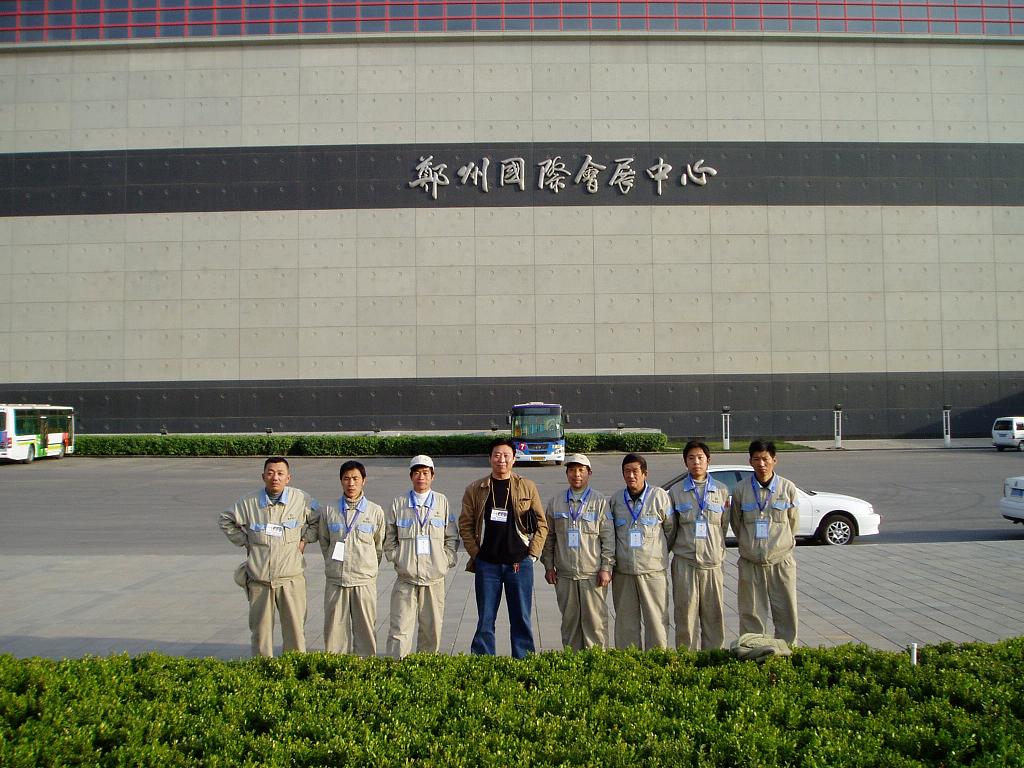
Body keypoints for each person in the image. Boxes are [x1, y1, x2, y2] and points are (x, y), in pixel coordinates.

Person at [219, 456, 319, 657]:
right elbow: (225, 520)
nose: (275, 478)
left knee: (295, 632)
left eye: (280, 474)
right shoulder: (249, 502)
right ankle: (263, 669)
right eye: (271, 473)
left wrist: (304, 540)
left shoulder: (301, 499)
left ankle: (294, 668)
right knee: (261, 634)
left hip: (290, 579)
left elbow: (318, 521)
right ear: (263, 476)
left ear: (288, 478)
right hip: (260, 580)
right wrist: (245, 541)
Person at [458, 438, 548, 658]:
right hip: (487, 565)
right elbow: (465, 524)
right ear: (490, 459)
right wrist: (476, 554)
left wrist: (532, 554)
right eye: (497, 455)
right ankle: (484, 661)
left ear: (514, 459)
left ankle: (523, 661)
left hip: (519, 563)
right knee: (485, 618)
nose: (502, 460)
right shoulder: (475, 488)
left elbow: (542, 524)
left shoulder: (527, 486)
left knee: (521, 618)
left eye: (506, 455)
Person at [383, 455, 459, 658]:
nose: (421, 477)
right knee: (399, 629)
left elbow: (452, 536)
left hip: (434, 578)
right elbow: (389, 537)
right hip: (406, 579)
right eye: (417, 473)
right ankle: (397, 667)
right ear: (411, 476)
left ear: (433, 476)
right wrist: (398, 558)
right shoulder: (399, 503)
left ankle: (425, 667)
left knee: (431, 630)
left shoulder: (442, 502)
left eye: (425, 473)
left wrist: (445, 560)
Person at [729, 439, 800, 646]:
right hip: (751, 563)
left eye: (765, 459)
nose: (761, 464)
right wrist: (750, 546)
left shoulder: (787, 488)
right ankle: (753, 652)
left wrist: (780, 545)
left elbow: (793, 522)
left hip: (781, 562)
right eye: (756, 459)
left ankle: (787, 653)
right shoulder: (741, 490)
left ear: (774, 460)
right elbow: (736, 523)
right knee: (751, 614)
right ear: (750, 461)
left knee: (786, 612)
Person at [541, 453, 615, 650]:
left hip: (592, 575)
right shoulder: (556, 502)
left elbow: (608, 538)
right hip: (565, 575)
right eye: (572, 470)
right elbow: (549, 538)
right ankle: (572, 663)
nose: (576, 474)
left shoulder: (599, 502)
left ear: (589, 473)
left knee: (595, 624)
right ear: (567, 474)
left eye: (581, 470)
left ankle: (597, 663)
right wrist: (548, 566)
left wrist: (606, 568)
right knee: (570, 624)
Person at [318, 460, 385, 655]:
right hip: (336, 580)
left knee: (365, 630)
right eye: (346, 478)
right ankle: (337, 666)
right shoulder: (329, 510)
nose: (351, 483)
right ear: (341, 481)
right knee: (334, 631)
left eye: (355, 478)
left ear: (364, 480)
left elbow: (378, 546)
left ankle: (365, 666)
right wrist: (333, 564)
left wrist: (367, 567)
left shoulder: (375, 511)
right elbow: (324, 542)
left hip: (363, 580)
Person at [608, 453, 675, 649]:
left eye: (635, 471)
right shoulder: (616, 500)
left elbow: (670, 530)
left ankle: (656, 660)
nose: (631, 476)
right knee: (625, 623)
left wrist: (656, 554)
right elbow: (610, 534)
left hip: (653, 571)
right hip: (624, 572)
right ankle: (629, 661)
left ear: (645, 473)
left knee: (656, 621)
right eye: (627, 471)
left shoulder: (659, 496)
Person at [668, 441, 731, 650]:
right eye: (691, 458)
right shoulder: (676, 492)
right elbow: (671, 528)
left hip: (712, 564)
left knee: (714, 616)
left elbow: (723, 525)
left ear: (708, 460)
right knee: (685, 616)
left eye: (700, 458)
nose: (696, 462)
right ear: (685, 462)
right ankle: (686, 658)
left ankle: (714, 657)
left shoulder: (721, 491)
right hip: (685, 563)